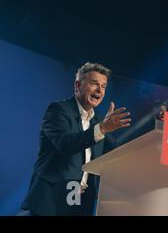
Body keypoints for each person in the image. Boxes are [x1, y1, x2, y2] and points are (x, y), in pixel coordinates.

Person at [19, 62, 131, 216]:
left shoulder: (97, 122)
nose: (100, 90)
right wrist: (102, 129)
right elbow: (65, 144)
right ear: (78, 85)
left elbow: (117, 152)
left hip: (80, 203)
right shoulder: (58, 110)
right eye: (94, 84)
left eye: (103, 86)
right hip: (52, 201)